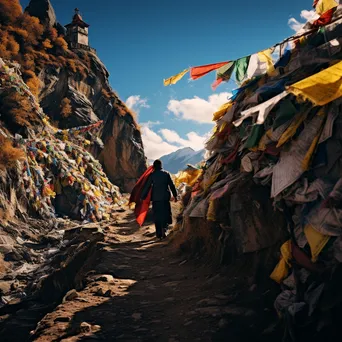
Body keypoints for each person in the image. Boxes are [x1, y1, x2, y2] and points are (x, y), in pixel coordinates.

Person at [141, 159, 178, 239]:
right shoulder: (166, 174)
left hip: (156, 199)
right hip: (165, 198)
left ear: (154, 166)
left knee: (157, 215)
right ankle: (164, 229)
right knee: (165, 214)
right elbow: (172, 185)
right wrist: (175, 196)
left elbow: (147, 186)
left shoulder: (152, 175)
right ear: (161, 166)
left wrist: (143, 197)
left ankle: (158, 234)